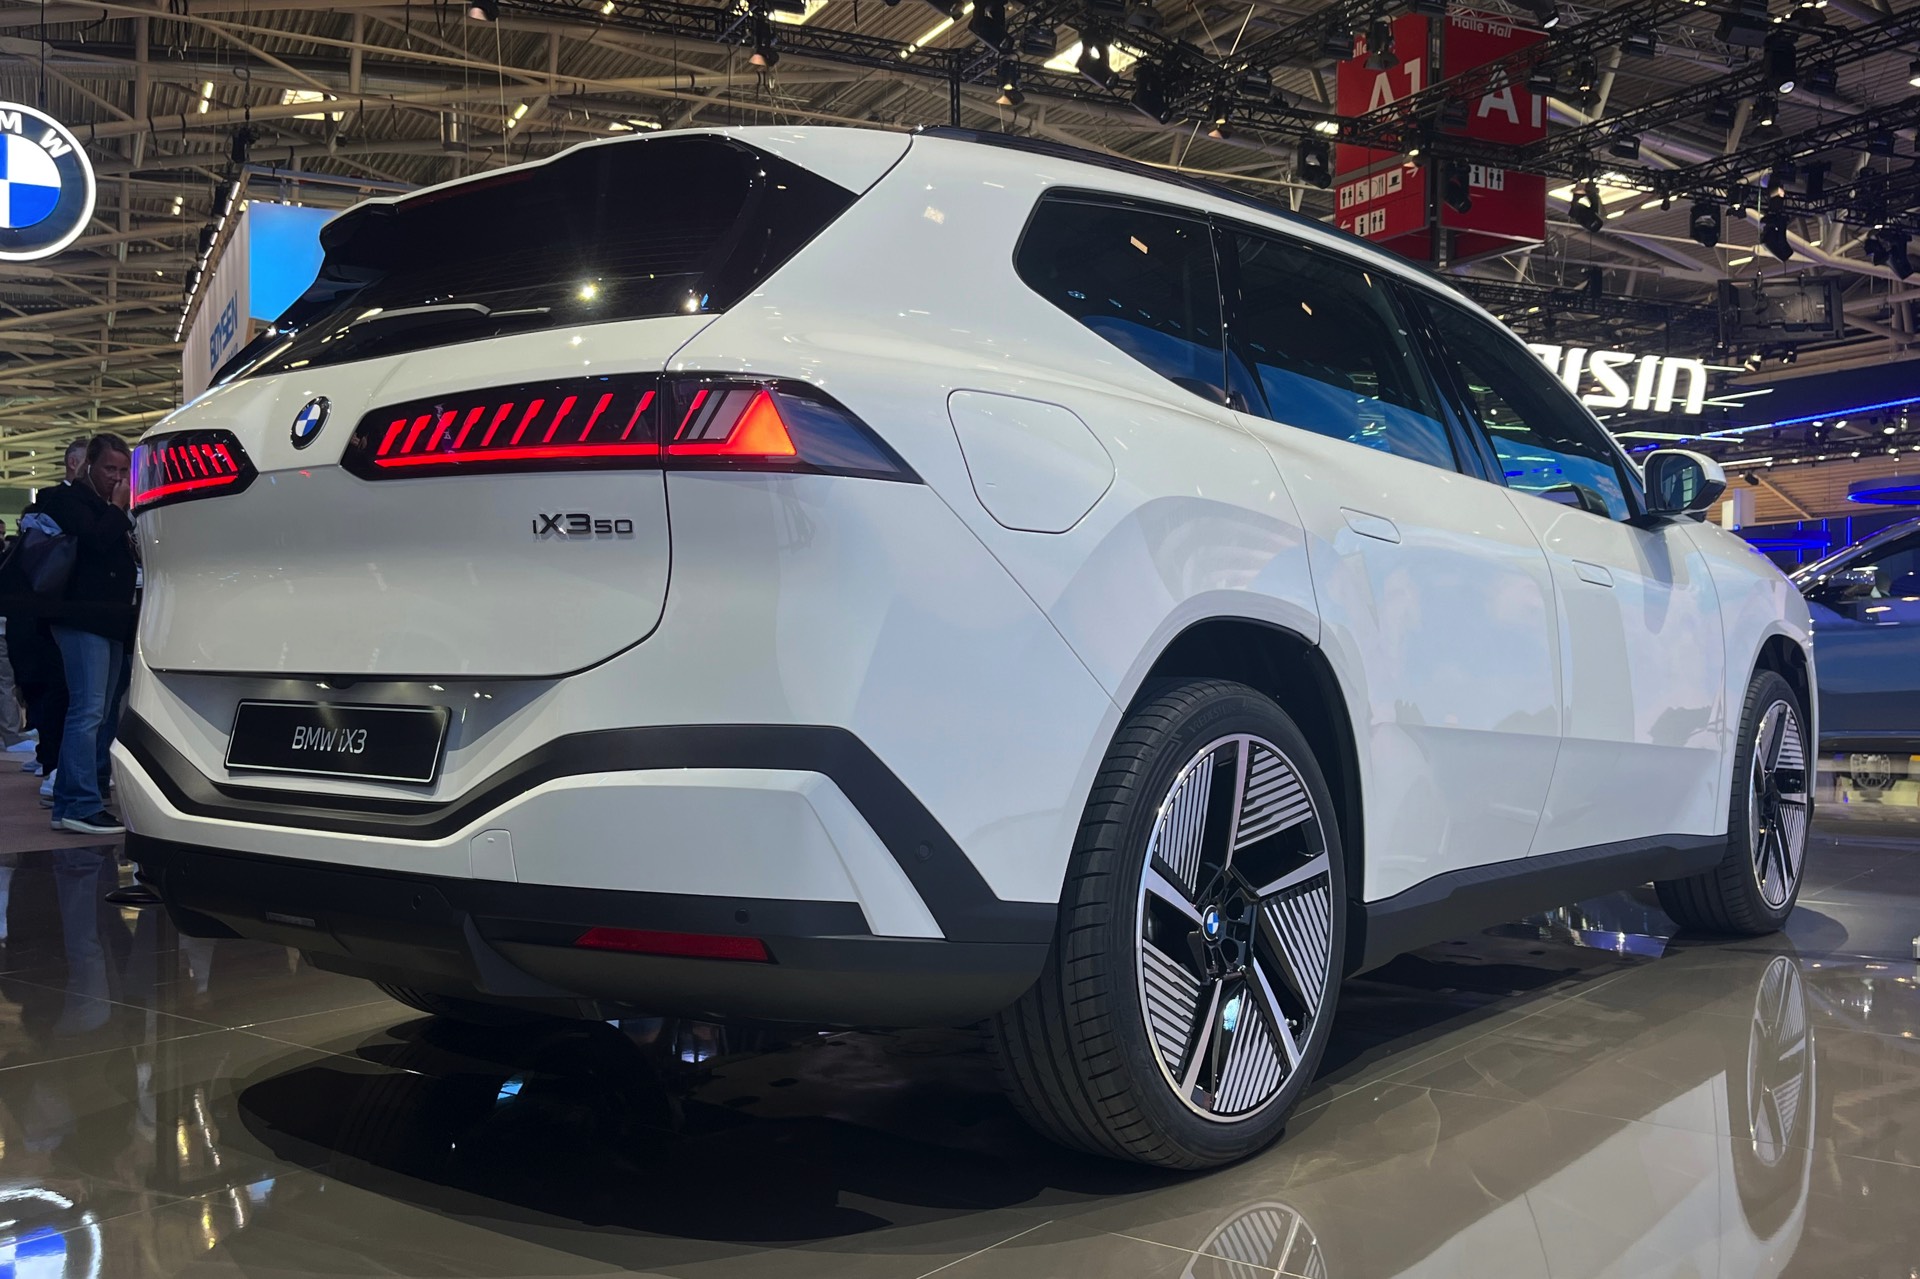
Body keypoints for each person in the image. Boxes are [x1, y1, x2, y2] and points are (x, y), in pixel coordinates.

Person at [34, 436, 137, 836]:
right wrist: (117, 508)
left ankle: (73, 800)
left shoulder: (106, 505)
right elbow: (94, 540)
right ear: (87, 466)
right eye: (110, 468)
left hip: (110, 620)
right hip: (81, 617)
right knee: (88, 710)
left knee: (101, 710)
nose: (117, 477)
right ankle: (80, 803)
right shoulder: (66, 499)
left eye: (123, 470)